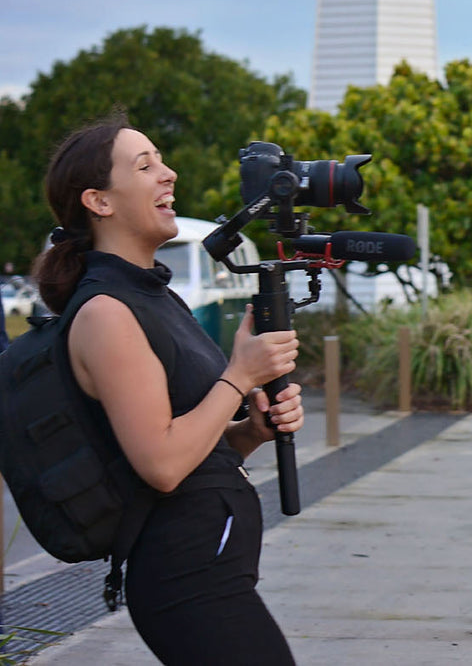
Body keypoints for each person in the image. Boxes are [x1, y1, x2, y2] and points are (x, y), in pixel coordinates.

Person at [32, 119, 304, 665]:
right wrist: (239, 377)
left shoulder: (153, 295)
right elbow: (160, 463)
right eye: (145, 165)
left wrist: (249, 430)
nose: (168, 173)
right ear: (98, 201)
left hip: (211, 565)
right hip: (185, 577)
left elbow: (192, 450)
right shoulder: (106, 312)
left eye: (161, 159)